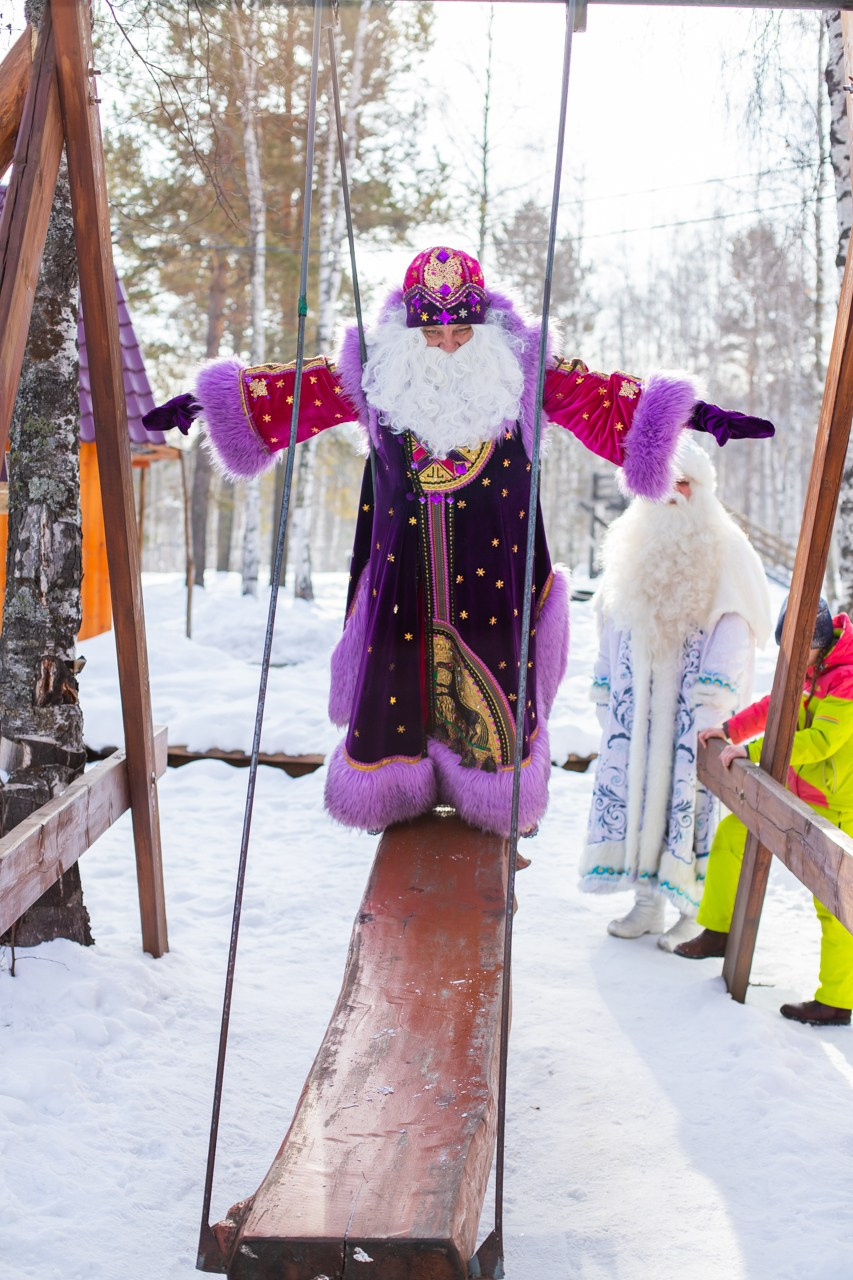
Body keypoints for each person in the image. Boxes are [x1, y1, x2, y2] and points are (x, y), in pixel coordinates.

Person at [146, 245, 773, 838]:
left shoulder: (523, 369)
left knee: (497, 693)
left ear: (484, 322)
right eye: (434, 335)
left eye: (461, 333)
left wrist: (695, 414)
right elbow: (294, 391)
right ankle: (396, 798)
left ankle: (496, 802)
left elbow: (600, 397)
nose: (447, 346)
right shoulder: (375, 372)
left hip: (494, 577)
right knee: (399, 680)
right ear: (409, 330)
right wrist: (207, 404)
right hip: (404, 577)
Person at [579, 438, 772, 950]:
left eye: (685, 483)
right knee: (639, 796)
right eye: (665, 483)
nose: (674, 493)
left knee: (691, 803)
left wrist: (713, 704)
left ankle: (693, 908)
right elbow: (610, 619)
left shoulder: (726, 546)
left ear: (702, 489)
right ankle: (646, 900)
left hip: (692, 709)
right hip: (635, 705)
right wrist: (605, 686)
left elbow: (735, 626)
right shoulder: (629, 540)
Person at [674, 598, 853, 1027]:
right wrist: (732, 730)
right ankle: (719, 931)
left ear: (821, 642)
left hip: (838, 803)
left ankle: (838, 1000)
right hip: (800, 795)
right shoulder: (810, 666)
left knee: (834, 901)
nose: (794, 659)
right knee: (732, 838)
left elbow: (821, 743)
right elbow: (777, 705)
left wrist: (754, 751)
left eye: (800, 650)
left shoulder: (846, 679)